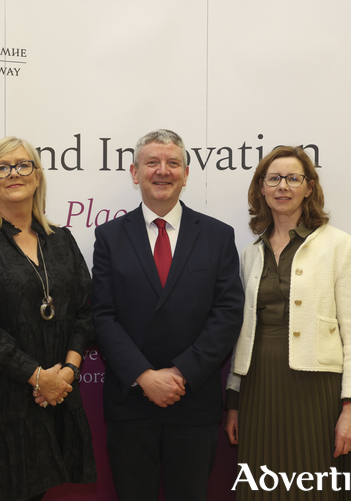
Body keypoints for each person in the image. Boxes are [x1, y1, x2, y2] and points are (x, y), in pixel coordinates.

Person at [91, 129, 245, 501]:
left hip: (192, 403)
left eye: (173, 163)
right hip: (132, 406)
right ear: (134, 172)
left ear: (187, 173)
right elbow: (102, 315)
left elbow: (227, 314)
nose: (163, 171)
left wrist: (180, 374)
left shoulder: (217, 236)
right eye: (152, 163)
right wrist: (144, 376)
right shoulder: (109, 236)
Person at [0, 136, 97, 501]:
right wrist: (38, 378)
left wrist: (68, 372)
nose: (14, 173)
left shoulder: (62, 240)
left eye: (23, 165)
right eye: (2, 167)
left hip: (54, 397)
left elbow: (85, 312)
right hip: (0, 405)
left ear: (37, 176)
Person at [225, 146, 351, 500]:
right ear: (261, 187)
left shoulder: (341, 246)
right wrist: (234, 399)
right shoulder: (251, 252)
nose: (283, 186)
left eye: (293, 178)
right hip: (258, 386)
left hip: (315, 391)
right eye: (273, 178)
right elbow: (243, 333)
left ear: (309, 187)